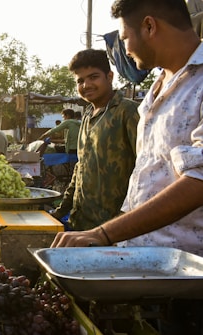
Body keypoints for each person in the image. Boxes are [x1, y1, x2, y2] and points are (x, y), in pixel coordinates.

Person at [52, 1, 203, 332]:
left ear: (149, 26)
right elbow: (147, 176)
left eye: (124, 37)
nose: (125, 49)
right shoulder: (157, 88)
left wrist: (105, 232)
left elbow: (198, 179)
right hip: (151, 267)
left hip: (191, 276)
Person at [49, 49, 139, 231]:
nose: (86, 85)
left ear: (110, 76)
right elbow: (80, 169)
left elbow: (146, 172)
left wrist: (124, 224)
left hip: (116, 229)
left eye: (93, 77)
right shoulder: (88, 116)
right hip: (81, 223)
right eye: (80, 81)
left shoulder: (128, 112)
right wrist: (60, 212)